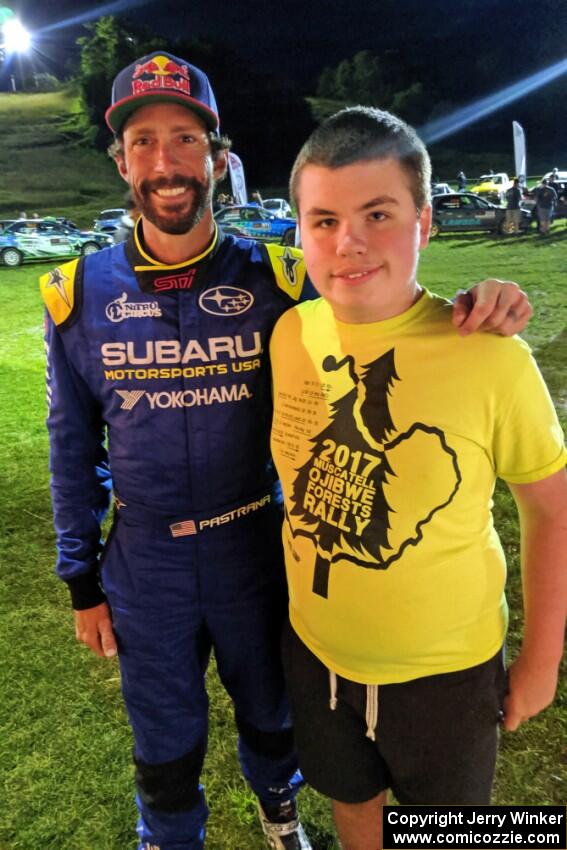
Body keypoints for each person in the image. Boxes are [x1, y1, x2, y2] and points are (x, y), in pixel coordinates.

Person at [40, 51, 533, 850]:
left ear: (217, 157)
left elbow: (373, 295)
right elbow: (70, 450)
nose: (165, 163)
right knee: (164, 740)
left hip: (258, 548)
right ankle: (168, 839)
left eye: (185, 140)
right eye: (141, 143)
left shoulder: (279, 280)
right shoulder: (76, 294)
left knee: (277, 719)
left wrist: (476, 302)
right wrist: (79, 580)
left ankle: (279, 820)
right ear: (121, 161)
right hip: (146, 559)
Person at [269, 107, 567, 850]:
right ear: (299, 230)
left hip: (447, 671)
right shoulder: (289, 334)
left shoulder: (490, 355)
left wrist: (539, 659)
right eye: (324, 219)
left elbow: (550, 510)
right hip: (316, 649)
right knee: (351, 803)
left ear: (423, 224)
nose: (349, 242)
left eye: (378, 213)